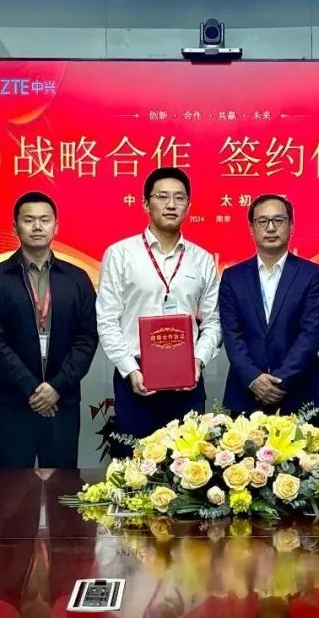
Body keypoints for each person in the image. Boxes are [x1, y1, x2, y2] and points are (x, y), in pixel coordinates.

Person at [96, 167, 221, 453]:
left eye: (179, 198)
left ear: (188, 205)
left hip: (188, 379)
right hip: (136, 377)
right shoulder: (120, 254)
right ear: (145, 203)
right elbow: (107, 319)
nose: (171, 204)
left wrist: (198, 361)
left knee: (188, 466)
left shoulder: (202, 259)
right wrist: (130, 369)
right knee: (135, 465)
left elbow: (214, 321)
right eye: (162, 197)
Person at [0, 192, 98, 468]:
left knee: (61, 483)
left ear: (56, 226)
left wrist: (56, 386)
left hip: (61, 401)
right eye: (29, 220)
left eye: (45, 220)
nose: (37, 226)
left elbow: (87, 338)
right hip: (13, 402)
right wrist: (32, 388)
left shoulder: (77, 279)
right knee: (12, 487)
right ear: (15, 227)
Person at [218, 194, 319, 418]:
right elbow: (232, 334)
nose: (270, 228)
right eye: (262, 221)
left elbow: (310, 335)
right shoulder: (232, 277)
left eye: (278, 220)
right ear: (251, 228)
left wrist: (280, 380)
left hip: (298, 391)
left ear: (291, 226)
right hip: (247, 392)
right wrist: (253, 378)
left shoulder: (312, 274)